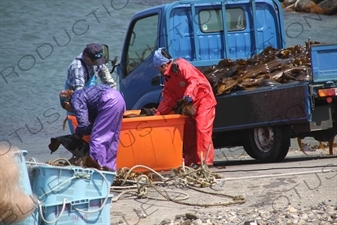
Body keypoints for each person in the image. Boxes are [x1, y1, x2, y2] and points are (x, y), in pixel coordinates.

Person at [152, 47, 217, 167]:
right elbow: (168, 99)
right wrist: (158, 115)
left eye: (158, 67)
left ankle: (204, 162)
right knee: (188, 133)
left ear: (163, 65)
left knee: (202, 128)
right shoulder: (168, 79)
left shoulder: (182, 66)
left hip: (204, 100)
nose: (158, 70)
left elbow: (194, 81)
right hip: (188, 106)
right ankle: (190, 161)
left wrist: (188, 95)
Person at [59, 84, 126, 171]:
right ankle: (110, 170)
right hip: (119, 98)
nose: (69, 111)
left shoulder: (75, 99)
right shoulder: (83, 95)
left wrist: (78, 134)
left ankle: (97, 170)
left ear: (67, 102)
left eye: (66, 108)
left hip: (108, 101)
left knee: (96, 139)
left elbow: (83, 124)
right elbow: (94, 125)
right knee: (112, 139)